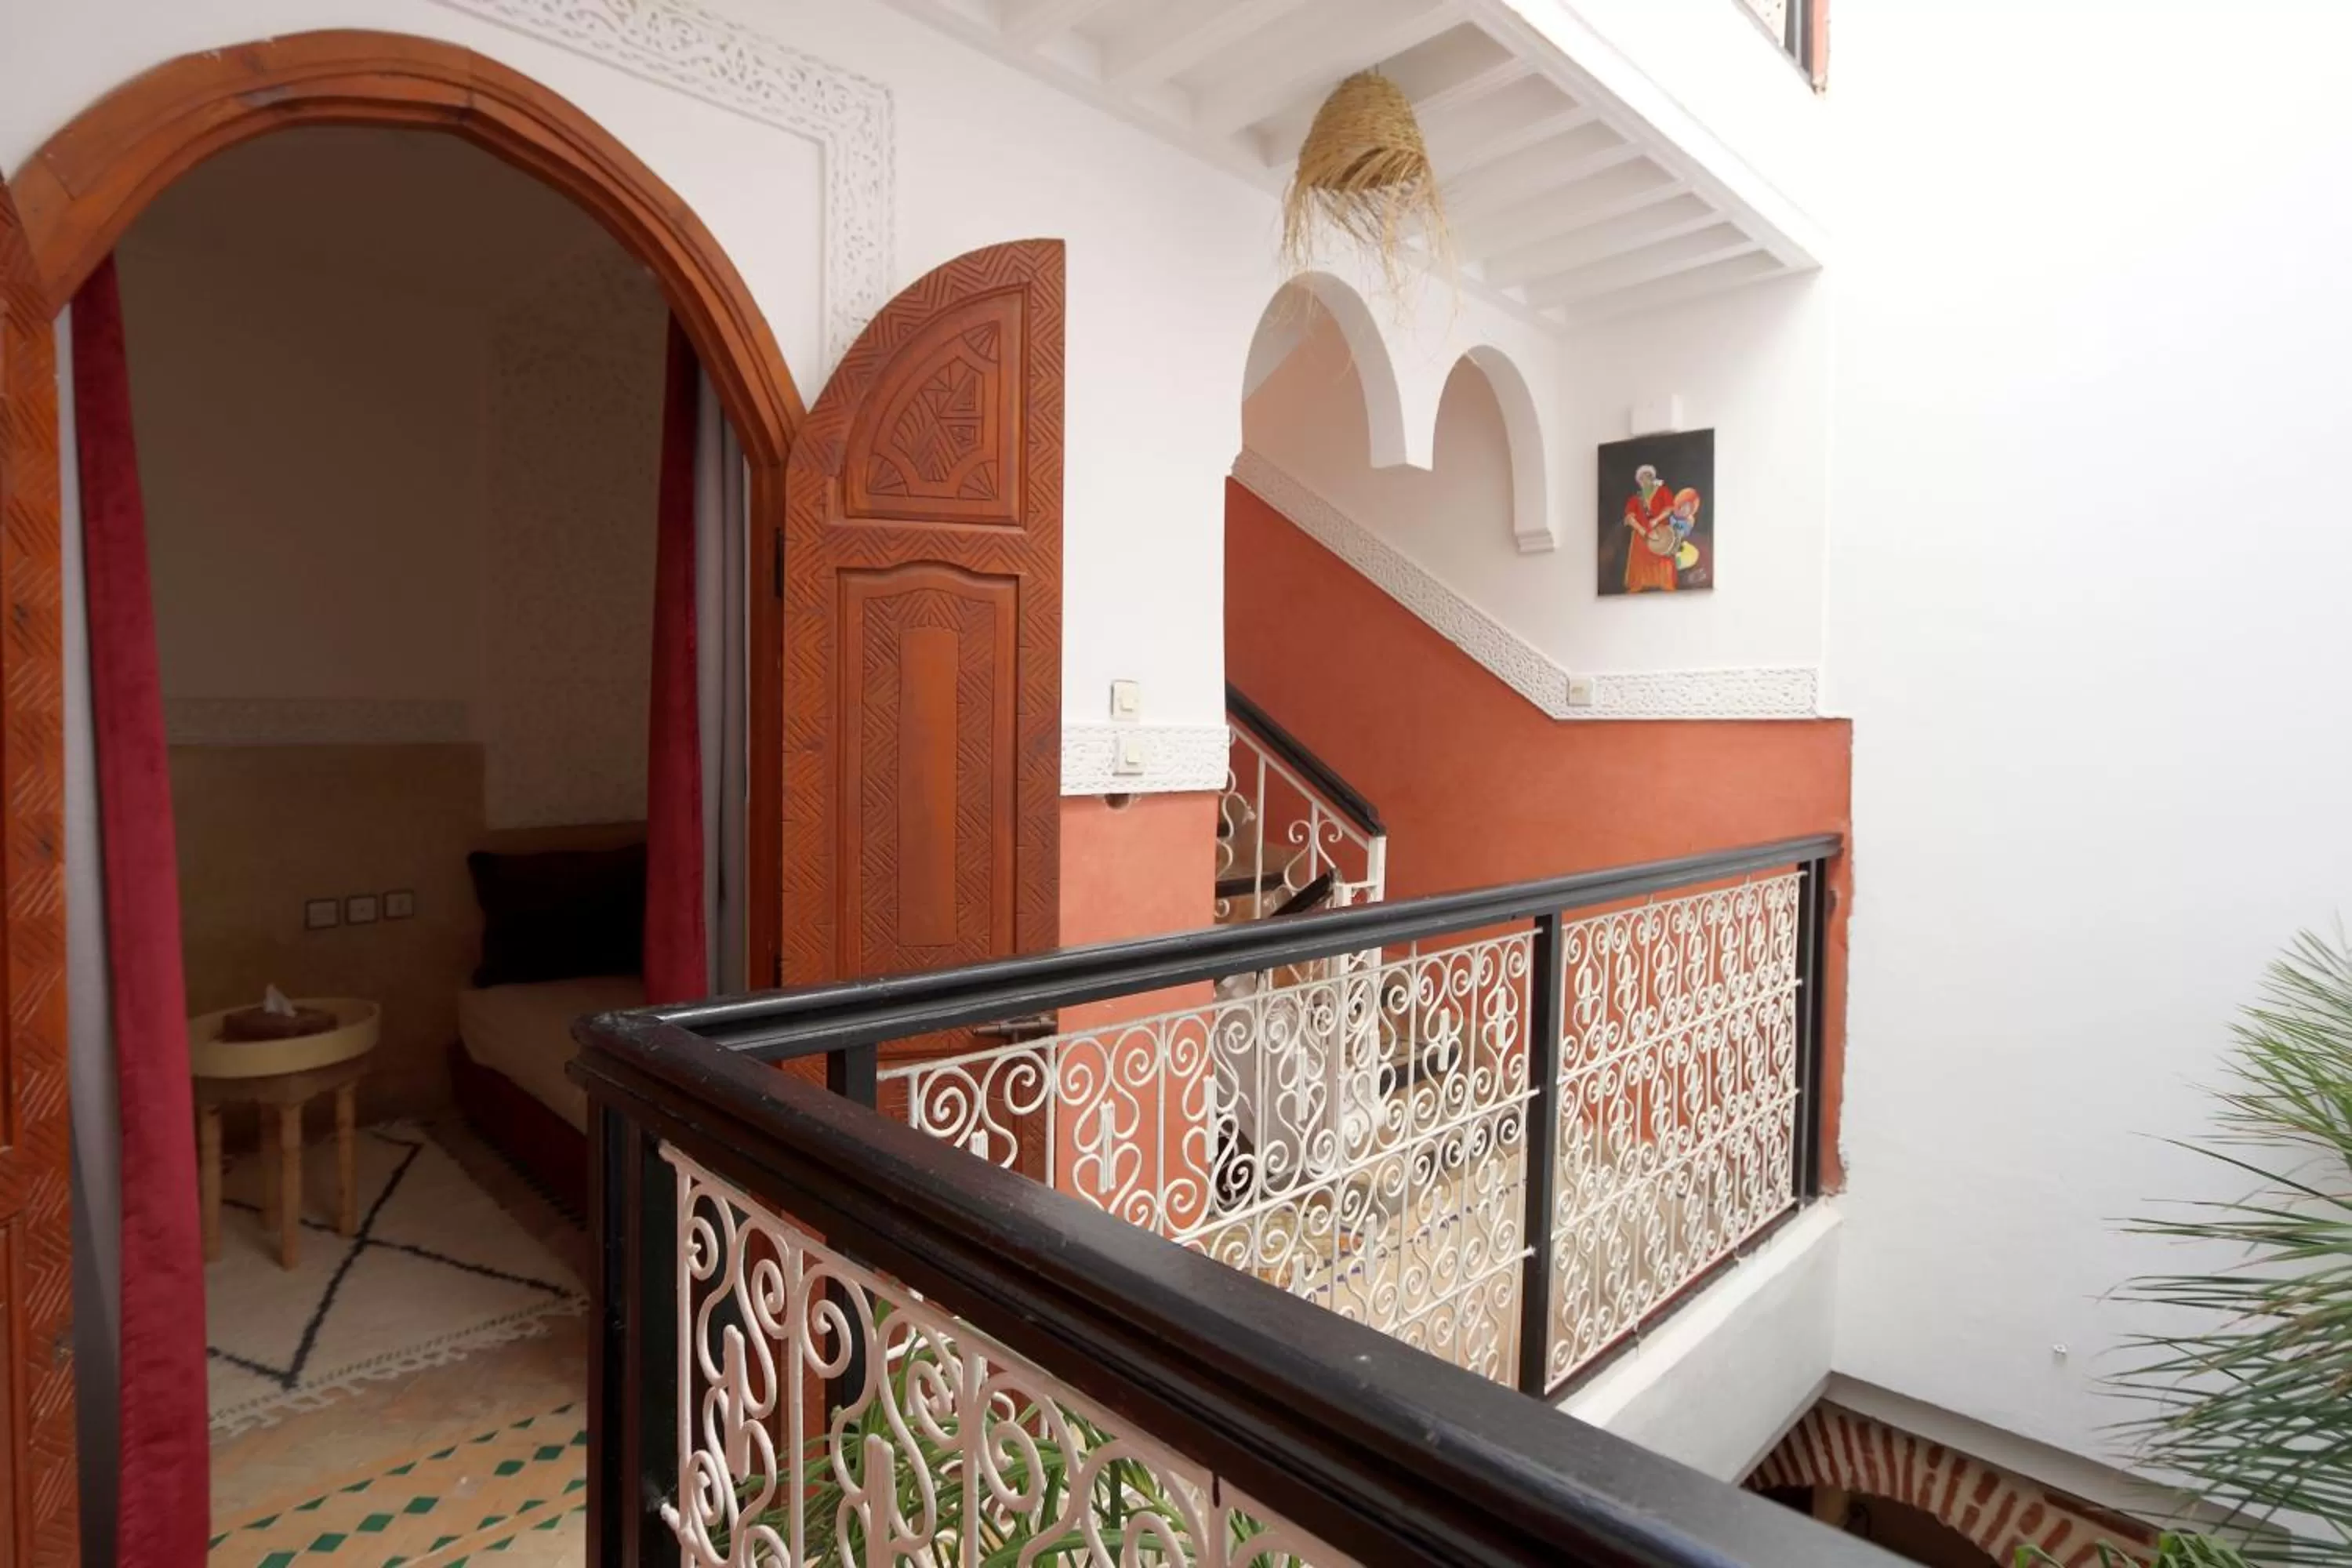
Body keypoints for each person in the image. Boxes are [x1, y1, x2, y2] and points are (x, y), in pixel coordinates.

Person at [1621, 463, 1679, 593]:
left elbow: (1669, 509)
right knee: (1640, 559)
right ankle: (1638, 584)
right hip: (1642, 536)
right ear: (1639, 481)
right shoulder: (1636, 499)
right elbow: (1630, 518)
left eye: (1648, 477)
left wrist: (1656, 520)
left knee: (1663, 559)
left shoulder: (1663, 491)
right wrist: (1643, 531)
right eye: (1642, 478)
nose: (1645, 480)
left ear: (1653, 478)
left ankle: (1666, 583)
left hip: (1661, 533)